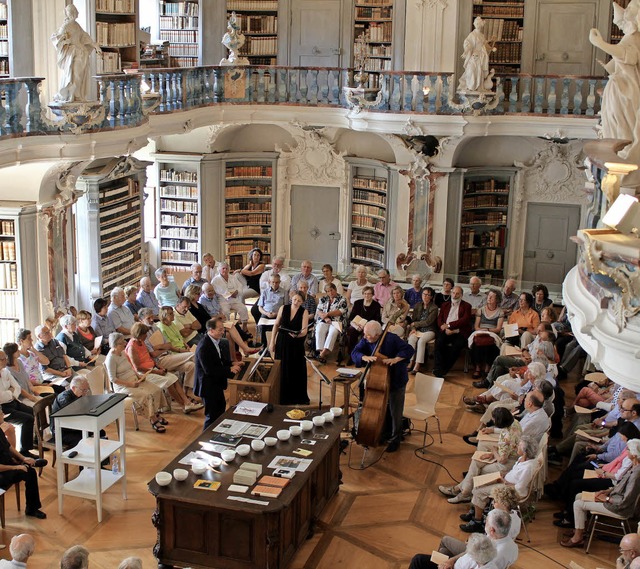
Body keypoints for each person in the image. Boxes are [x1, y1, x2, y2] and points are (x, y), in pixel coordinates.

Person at [560, 439, 640, 548]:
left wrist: (606, 499)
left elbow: (625, 500)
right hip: (613, 499)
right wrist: (607, 491)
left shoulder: (636, 474)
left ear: (635, 455)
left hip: (618, 507)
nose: (627, 451)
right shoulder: (635, 467)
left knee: (578, 504)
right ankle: (579, 529)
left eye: (629, 450)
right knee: (579, 496)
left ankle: (577, 538)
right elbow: (621, 486)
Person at [589, 3, 640, 170]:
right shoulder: (631, 37)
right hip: (621, 87)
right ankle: (621, 159)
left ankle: (624, 160)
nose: (626, 13)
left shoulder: (634, 37)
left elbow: (628, 56)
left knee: (624, 124)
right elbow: (623, 58)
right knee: (619, 124)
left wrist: (599, 43)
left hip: (627, 89)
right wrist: (609, 66)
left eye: (630, 9)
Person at [439, 407, 522, 508]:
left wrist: (494, 452)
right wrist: (493, 453)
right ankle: (464, 491)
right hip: (506, 456)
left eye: (494, 419)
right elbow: (507, 449)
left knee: (480, 470)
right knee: (476, 462)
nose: (493, 421)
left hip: (507, 464)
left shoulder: (507, 438)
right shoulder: (515, 423)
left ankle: (462, 492)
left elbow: (503, 460)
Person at [351, 321, 414, 452]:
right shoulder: (366, 339)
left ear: (378, 334)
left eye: (368, 335)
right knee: (379, 409)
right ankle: (381, 433)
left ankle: (395, 439)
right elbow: (355, 352)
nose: (365, 337)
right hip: (377, 379)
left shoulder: (392, 339)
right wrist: (364, 357)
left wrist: (396, 359)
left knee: (395, 410)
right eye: (365, 334)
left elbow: (409, 349)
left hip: (396, 379)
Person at [463, 437, 539, 532]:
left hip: (512, 491)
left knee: (478, 491)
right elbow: (514, 473)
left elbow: (519, 487)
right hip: (505, 482)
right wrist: (505, 475)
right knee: (479, 484)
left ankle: (477, 522)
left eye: (519, 446)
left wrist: (504, 482)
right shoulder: (521, 459)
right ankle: (475, 511)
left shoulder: (528, 468)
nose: (517, 447)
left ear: (525, 452)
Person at [126, 322, 202, 414]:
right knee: (169, 382)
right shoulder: (132, 347)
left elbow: (149, 358)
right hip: (144, 374)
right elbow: (138, 368)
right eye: (145, 334)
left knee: (174, 378)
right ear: (139, 334)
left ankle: (187, 402)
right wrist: (156, 371)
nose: (146, 336)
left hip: (153, 368)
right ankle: (183, 405)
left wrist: (158, 367)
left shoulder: (141, 342)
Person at [104, 333, 169, 433]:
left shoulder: (122, 353)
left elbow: (131, 368)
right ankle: (153, 419)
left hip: (134, 379)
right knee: (146, 395)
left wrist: (139, 376)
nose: (125, 344)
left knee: (156, 389)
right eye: (122, 343)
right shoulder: (111, 358)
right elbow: (113, 379)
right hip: (123, 386)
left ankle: (155, 413)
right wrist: (131, 385)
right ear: (115, 345)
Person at [409, 508, 517, 569]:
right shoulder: (511, 545)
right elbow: (470, 553)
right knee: (443, 551)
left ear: (492, 530)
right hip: (457, 564)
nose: (485, 524)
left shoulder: (493, 556)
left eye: (486, 523)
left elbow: (470, 556)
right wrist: (451, 560)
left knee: (418, 560)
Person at [194, 319, 243, 429]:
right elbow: (209, 370)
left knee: (220, 411)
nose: (223, 332)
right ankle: (205, 441)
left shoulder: (215, 341)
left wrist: (232, 363)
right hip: (207, 386)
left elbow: (219, 360)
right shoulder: (204, 347)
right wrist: (229, 370)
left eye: (223, 329)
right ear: (211, 330)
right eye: (220, 330)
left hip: (215, 384)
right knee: (212, 416)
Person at [51, 3, 101, 103]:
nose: (73, 14)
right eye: (71, 12)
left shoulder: (77, 25)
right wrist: (65, 42)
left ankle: (79, 95)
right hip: (74, 54)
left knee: (80, 76)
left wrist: (95, 46)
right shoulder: (66, 26)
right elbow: (57, 39)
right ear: (68, 14)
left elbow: (85, 36)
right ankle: (72, 96)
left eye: (74, 12)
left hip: (82, 54)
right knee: (75, 75)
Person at [269, 291, 310, 405]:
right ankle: (282, 396)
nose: (296, 302)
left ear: (302, 302)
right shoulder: (284, 308)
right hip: (282, 341)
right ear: (292, 298)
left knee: (295, 369)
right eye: (295, 299)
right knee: (281, 368)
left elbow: (304, 331)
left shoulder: (304, 312)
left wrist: (298, 334)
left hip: (295, 344)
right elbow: (276, 325)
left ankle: (296, 397)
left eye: (299, 301)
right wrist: (272, 341)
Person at [0, 423, 47, 519]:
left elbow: (8, 446)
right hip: (2, 473)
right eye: (1, 413)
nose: (3, 415)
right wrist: (15, 467)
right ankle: (31, 509)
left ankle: (27, 463)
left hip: (7, 463)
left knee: (29, 471)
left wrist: (23, 457)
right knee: (29, 472)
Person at [0, 349, 37, 458]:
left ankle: (31, 443)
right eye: (2, 359)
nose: (5, 361)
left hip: (13, 402)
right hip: (3, 409)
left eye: (5, 358)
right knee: (27, 418)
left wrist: (11, 393)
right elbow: (1, 397)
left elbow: (17, 387)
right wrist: (10, 392)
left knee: (33, 411)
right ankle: (23, 451)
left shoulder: (5, 371)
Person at [51, 377, 104, 448]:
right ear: (73, 388)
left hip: (75, 427)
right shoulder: (65, 399)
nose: (85, 392)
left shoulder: (79, 395)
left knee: (100, 432)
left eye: (87, 389)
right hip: (63, 431)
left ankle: (97, 452)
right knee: (83, 441)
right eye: (83, 390)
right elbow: (75, 417)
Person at [433, 286, 473, 378]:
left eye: (457, 293)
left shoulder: (467, 306)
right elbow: (440, 319)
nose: (455, 295)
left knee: (457, 346)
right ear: (451, 293)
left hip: (460, 332)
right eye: (453, 293)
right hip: (446, 330)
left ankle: (444, 369)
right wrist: (444, 327)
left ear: (461, 295)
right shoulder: (445, 305)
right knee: (439, 342)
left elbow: (465, 320)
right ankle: (437, 368)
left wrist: (450, 326)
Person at [469, 290, 504, 379]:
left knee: (492, 344)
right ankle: (477, 368)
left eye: (492, 297)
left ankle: (487, 368)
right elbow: (476, 327)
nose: (489, 298)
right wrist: (483, 330)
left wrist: (488, 330)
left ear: (497, 299)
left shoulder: (500, 312)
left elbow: (498, 329)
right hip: (480, 330)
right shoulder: (481, 310)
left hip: (492, 332)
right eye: (489, 296)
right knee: (476, 342)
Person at [407, 287, 438, 374]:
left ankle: (417, 365)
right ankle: (410, 362)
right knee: (411, 338)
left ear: (431, 297)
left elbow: (428, 322)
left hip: (430, 330)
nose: (425, 296)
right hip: (418, 330)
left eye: (428, 295)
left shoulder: (434, 308)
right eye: (424, 294)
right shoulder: (418, 305)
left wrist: (415, 325)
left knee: (421, 341)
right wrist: (413, 329)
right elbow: (413, 320)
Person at [346, 285, 382, 362]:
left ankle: (363, 357)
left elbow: (377, 320)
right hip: (357, 325)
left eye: (369, 294)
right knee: (352, 332)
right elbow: (351, 318)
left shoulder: (376, 305)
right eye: (365, 293)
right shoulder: (357, 303)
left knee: (366, 335)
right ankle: (352, 355)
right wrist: (356, 326)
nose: (367, 295)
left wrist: (367, 326)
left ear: (372, 295)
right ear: (363, 294)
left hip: (369, 327)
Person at [314, 283, 348, 363]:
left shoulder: (342, 299)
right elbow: (319, 310)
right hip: (324, 320)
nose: (330, 293)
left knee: (333, 332)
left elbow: (340, 311)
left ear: (335, 289)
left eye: (331, 290)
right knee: (319, 329)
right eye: (328, 291)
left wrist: (328, 314)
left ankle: (323, 354)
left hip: (337, 321)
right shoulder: (323, 298)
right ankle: (321, 352)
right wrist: (325, 318)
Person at [458, 16, 494, 92]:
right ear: (474, 24)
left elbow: (484, 44)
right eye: (476, 23)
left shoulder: (482, 35)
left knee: (479, 72)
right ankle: (470, 87)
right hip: (473, 56)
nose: (477, 25)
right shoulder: (472, 34)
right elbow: (467, 43)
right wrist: (466, 50)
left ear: (481, 25)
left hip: (480, 57)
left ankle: (477, 88)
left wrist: (491, 48)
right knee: (470, 71)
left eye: (479, 23)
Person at [212, 263, 249, 331]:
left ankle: (244, 328)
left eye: (226, 268)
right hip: (223, 300)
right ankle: (227, 328)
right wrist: (229, 294)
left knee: (243, 308)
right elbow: (216, 291)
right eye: (223, 268)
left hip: (234, 299)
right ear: (219, 270)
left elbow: (240, 286)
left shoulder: (233, 277)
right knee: (225, 312)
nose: (225, 270)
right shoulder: (215, 280)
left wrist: (237, 292)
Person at [255, 274, 287, 346]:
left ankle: (275, 345)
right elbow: (260, 307)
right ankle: (264, 346)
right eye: (273, 282)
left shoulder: (284, 292)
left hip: (278, 314)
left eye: (277, 282)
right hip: (266, 314)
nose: (275, 284)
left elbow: (286, 307)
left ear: (280, 282)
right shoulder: (265, 292)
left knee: (278, 326)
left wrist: (277, 314)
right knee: (262, 326)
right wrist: (266, 313)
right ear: (269, 282)